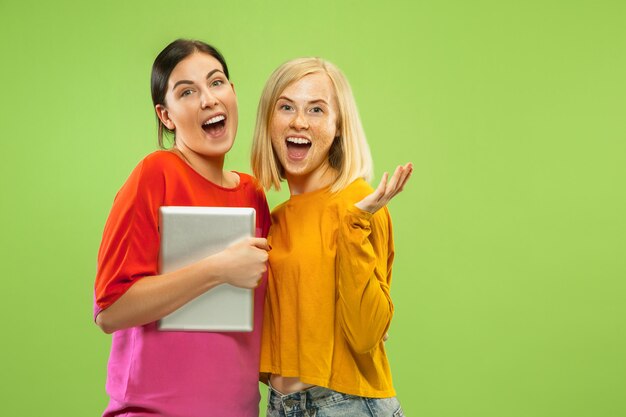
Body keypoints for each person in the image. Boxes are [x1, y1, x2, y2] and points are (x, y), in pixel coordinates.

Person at [94, 39, 271, 417]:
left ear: (233, 92)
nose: (208, 99)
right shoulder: (155, 174)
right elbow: (111, 309)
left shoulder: (252, 194)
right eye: (187, 91)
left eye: (216, 82)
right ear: (166, 116)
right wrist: (218, 269)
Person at [251, 57, 412, 416]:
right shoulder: (273, 220)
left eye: (317, 109)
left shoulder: (360, 203)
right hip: (282, 406)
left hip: (346, 405)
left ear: (339, 127)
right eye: (286, 106)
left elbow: (367, 334)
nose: (299, 121)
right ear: (269, 120)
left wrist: (357, 225)